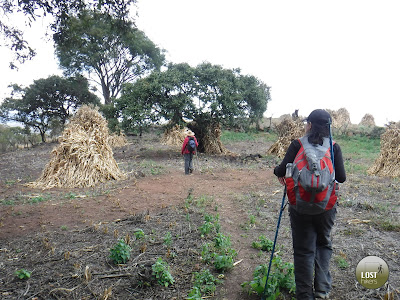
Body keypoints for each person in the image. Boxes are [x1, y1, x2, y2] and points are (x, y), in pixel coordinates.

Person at [273, 109, 346, 300]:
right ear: (328, 127)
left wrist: (278, 171)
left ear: (310, 125)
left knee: (304, 251)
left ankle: (304, 295)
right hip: (326, 207)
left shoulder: (297, 144)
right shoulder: (334, 146)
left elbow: (281, 169)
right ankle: (322, 290)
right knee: (323, 244)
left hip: (300, 206)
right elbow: (342, 178)